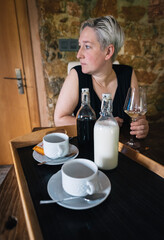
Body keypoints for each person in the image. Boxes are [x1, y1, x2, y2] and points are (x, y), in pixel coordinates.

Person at [54, 16, 149, 139]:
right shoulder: (76, 75)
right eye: (80, 46)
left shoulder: (128, 74)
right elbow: (60, 120)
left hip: (122, 149)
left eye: (87, 46)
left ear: (108, 52)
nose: (79, 54)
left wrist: (142, 126)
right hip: (88, 148)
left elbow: (138, 117)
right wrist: (100, 124)